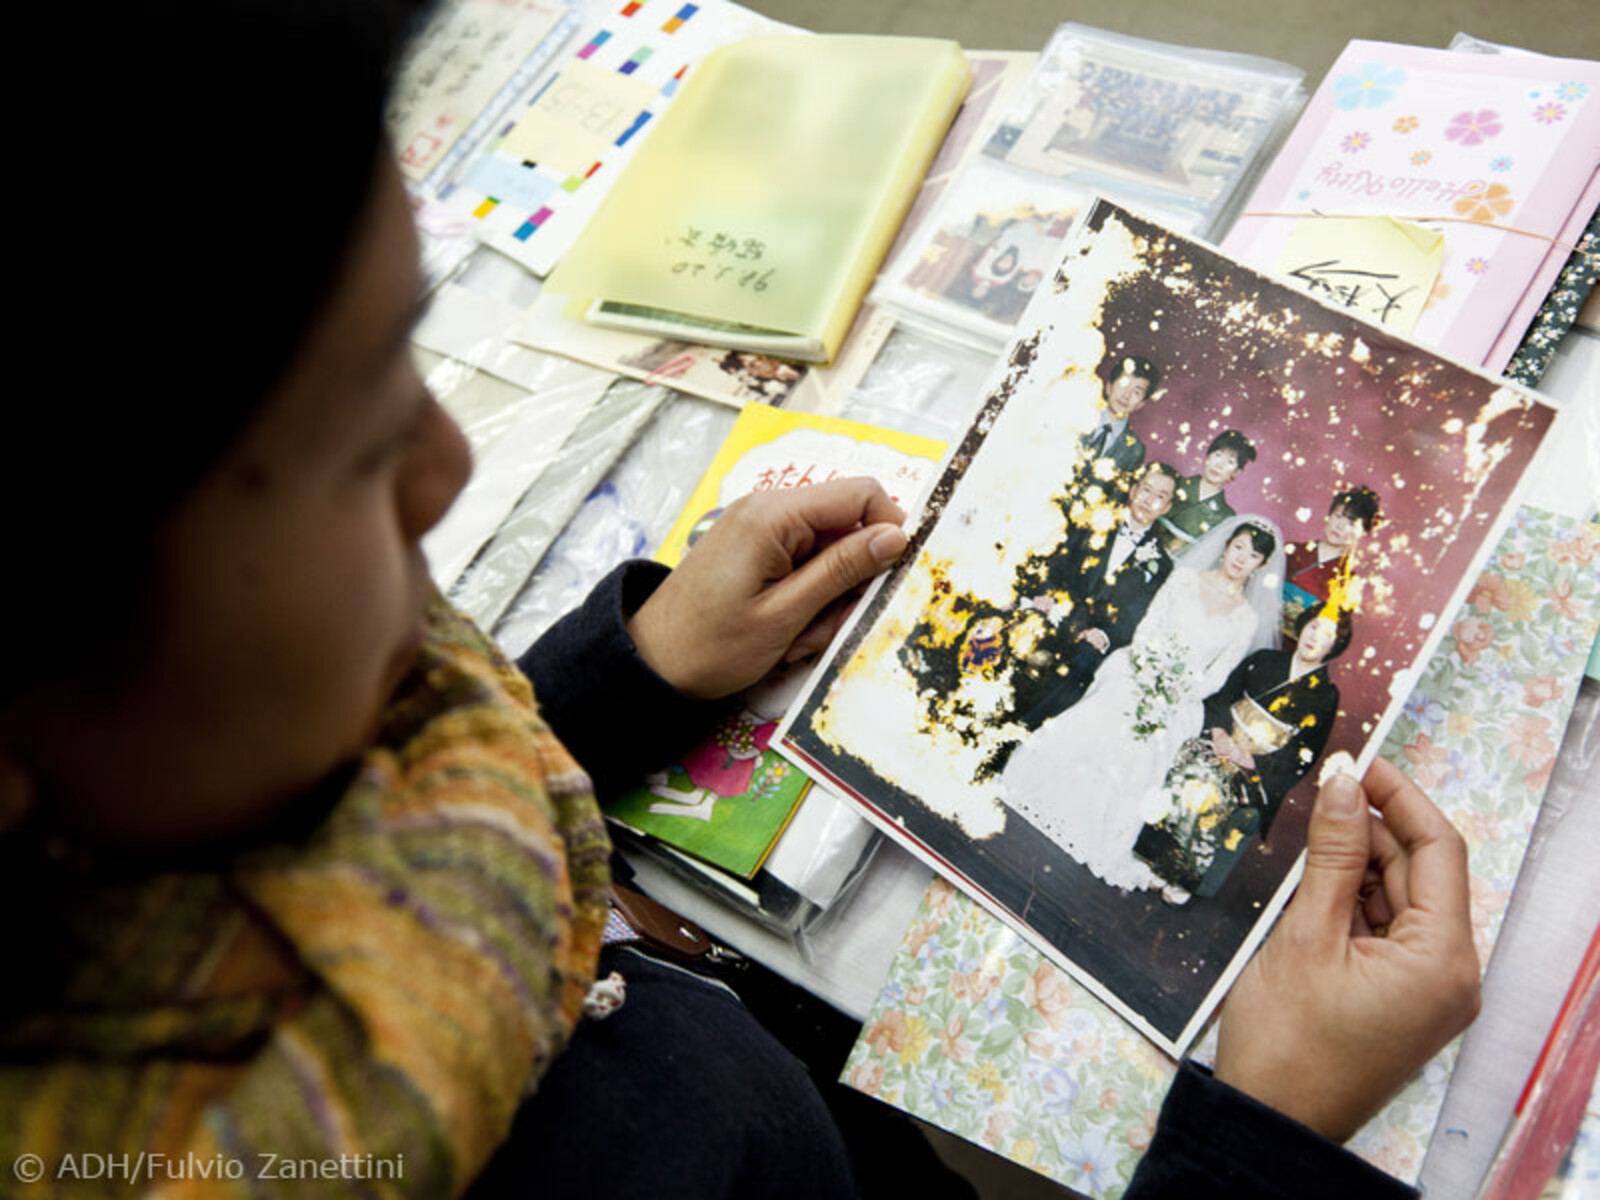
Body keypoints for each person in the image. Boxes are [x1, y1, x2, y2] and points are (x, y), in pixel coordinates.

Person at [2, 5, 1480, 1198]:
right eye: (349, 441)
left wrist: (630, 675)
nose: (446, 466)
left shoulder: (241, 774)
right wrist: (1269, 1146)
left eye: (413, 361)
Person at [1000, 516, 1284, 889]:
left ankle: (1100, 830)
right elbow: (1149, 626)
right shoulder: (1184, 579)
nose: (1241, 558)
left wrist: (1177, 688)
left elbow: (1217, 675)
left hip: (1182, 694)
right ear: (1228, 545)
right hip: (1139, 664)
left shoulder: (1246, 619)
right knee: (1115, 700)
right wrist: (1150, 667)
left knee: (1153, 738)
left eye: (1252, 556)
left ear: (1260, 566)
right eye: (1239, 548)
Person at [1134, 606, 1354, 904]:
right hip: (1221, 744)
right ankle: (1151, 857)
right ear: (1302, 627)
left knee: (1210, 787)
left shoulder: (1326, 696)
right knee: (1191, 767)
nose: (1314, 637)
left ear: (1334, 646)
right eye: (1313, 626)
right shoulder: (1264, 660)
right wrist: (1221, 734)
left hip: (1256, 770)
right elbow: (1223, 698)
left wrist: (1250, 760)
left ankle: (1181, 876)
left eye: (1326, 634)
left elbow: (1302, 756)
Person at [1008, 461, 1178, 731]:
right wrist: (1046, 594)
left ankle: (1016, 737)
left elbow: (1137, 614)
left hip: (1092, 633)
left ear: (1167, 507)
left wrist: (1105, 635)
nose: (1149, 501)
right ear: (1133, 491)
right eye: (1146, 490)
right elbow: (1054, 561)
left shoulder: (1162, 565)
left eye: (1160, 497)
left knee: (1085, 662)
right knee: (1028, 627)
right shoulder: (1091, 519)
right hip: (1056, 611)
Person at [1283, 485, 1382, 642]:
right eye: (1338, 516)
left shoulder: (1349, 584)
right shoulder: (1292, 551)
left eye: (1351, 522)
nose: (1340, 526)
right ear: (1328, 516)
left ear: (1362, 532)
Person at [1157, 429, 1259, 558]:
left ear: (1236, 473)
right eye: (1218, 454)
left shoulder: (1227, 517)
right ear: (1207, 456)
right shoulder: (1175, 483)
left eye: (1230, 462)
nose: (1220, 464)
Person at [1072, 354, 1161, 499]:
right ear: (1108, 386)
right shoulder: (1076, 416)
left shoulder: (1135, 450)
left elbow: (1116, 499)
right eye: (1123, 385)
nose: (1126, 395)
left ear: (1141, 404)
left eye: (1136, 392)